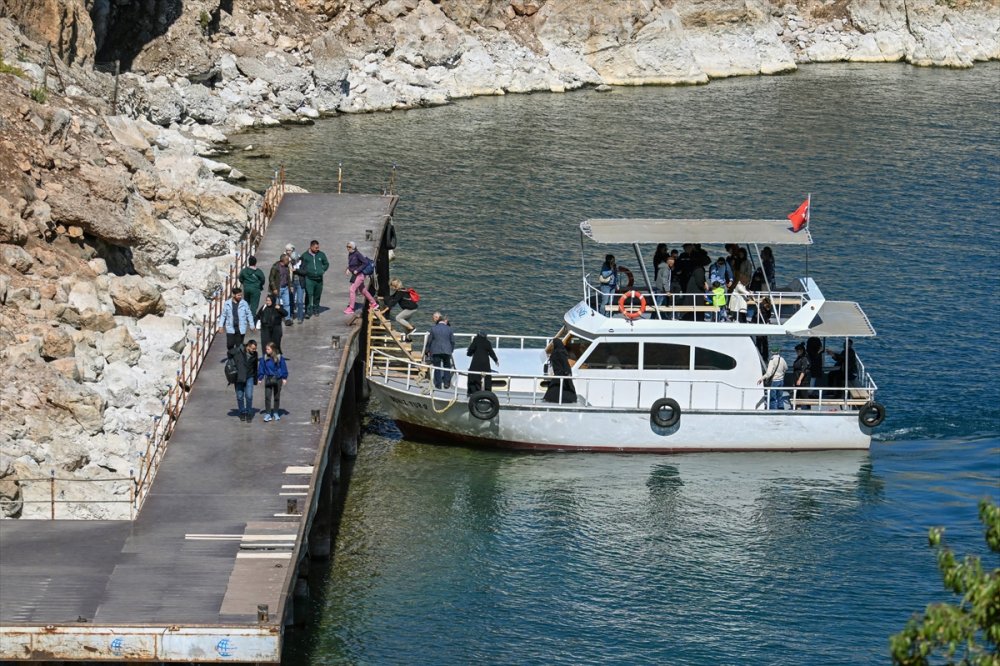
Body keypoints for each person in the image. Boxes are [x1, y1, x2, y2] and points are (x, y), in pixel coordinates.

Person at [258, 342, 289, 422]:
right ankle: (268, 413)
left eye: (268, 349)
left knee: (276, 396)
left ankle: (275, 412)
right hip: (268, 378)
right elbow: (261, 368)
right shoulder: (264, 358)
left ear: (273, 349)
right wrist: (260, 378)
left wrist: (284, 377)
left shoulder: (279, 357)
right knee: (267, 396)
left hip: (278, 379)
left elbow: (283, 367)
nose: (266, 350)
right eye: (266, 349)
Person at [344, 241, 377, 314]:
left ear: (353, 247)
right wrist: (348, 269)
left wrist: (357, 270)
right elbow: (351, 264)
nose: (348, 248)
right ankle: (374, 304)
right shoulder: (350, 254)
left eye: (349, 247)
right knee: (363, 290)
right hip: (356, 275)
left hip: (360, 274)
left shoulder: (357, 254)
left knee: (352, 289)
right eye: (347, 246)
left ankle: (351, 308)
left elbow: (365, 262)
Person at [229, 339, 258, 422]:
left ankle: (249, 412)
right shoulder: (239, 350)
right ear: (248, 346)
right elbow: (229, 353)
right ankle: (242, 411)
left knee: (249, 396)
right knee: (240, 396)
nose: (254, 350)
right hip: (239, 377)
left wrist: (255, 380)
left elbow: (255, 367)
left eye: (255, 349)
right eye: (253, 348)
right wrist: (233, 364)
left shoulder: (255, 354)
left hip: (249, 377)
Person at [424, 311, 455, 390]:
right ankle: (446, 383)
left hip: (436, 351)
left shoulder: (433, 328)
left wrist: (427, 351)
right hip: (447, 351)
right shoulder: (449, 329)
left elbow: (429, 341)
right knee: (447, 366)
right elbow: (452, 341)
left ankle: (438, 384)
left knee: (437, 367)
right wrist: (451, 350)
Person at [301, 240, 329, 318]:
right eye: (316, 247)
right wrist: (305, 272)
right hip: (309, 279)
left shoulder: (321, 254)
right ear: (311, 247)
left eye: (318, 247)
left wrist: (323, 269)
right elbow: (301, 265)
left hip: (319, 279)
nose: (317, 249)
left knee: (317, 295)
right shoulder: (305, 255)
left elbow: (326, 263)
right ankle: (307, 311)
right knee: (309, 294)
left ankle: (316, 309)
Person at [543, 338, 577, 403]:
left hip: (561, 372)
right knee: (557, 386)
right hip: (559, 372)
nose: (552, 344)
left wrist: (567, 372)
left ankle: (550, 398)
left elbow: (564, 363)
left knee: (556, 386)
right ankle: (550, 398)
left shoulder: (559, 352)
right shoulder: (558, 351)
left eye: (553, 343)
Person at [757, 345, 789, 410]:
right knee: (780, 396)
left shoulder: (772, 360)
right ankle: (781, 408)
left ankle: (773, 410)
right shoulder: (782, 359)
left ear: (771, 352)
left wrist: (762, 378)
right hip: (781, 380)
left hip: (774, 381)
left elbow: (769, 373)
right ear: (778, 351)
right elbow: (786, 368)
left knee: (773, 397)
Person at [268, 254, 293, 324]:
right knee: (276, 304)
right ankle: (275, 318)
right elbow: (271, 278)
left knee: (287, 304)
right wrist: (274, 288)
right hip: (278, 288)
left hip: (285, 288)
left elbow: (288, 278)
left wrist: (290, 286)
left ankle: (287, 319)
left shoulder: (287, 267)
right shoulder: (275, 267)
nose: (288, 261)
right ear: (283, 260)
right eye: (287, 259)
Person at [287, 244, 307, 324]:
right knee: (291, 300)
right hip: (292, 283)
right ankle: (291, 316)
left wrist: (296, 270)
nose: (293, 261)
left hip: (300, 283)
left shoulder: (303, 263)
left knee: (299, 301)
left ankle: (299, 317)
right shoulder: (290, 263)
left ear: (298, 258)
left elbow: (305, 272)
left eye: (294, 260)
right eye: (292, 260)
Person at [791, 342, 811, 408]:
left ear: (802, 351)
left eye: (798, 351)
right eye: (796, 351)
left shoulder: (804, 359)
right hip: (796, 377)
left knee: (804, 394)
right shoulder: (799, 357)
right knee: (797, 393)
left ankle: (808, 407)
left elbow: (803, 370)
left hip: (803, 380)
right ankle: (796, 406)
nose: (797, 352)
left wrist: (799, 379)